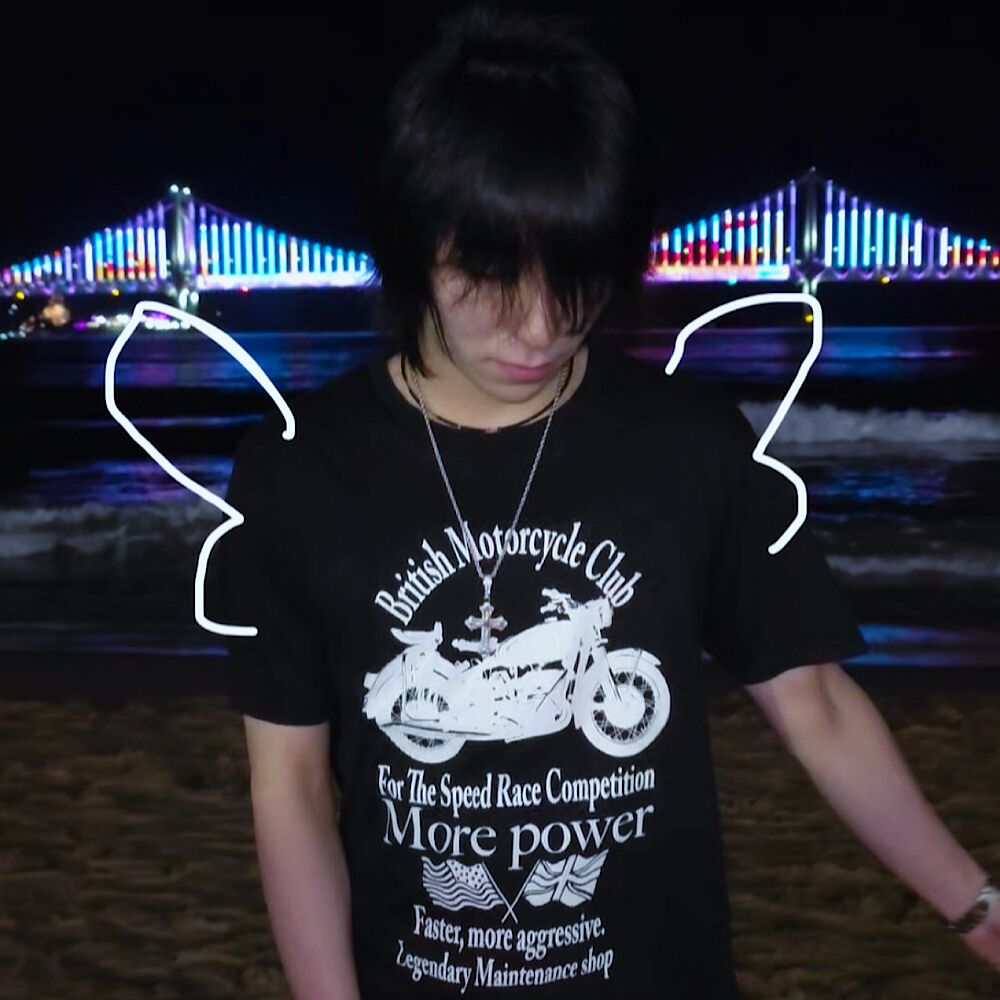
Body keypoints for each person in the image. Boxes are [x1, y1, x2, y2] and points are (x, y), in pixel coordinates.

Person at [210, 5, 1000, 997]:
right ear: (412, 245)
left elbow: (818, 704)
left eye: (578, 275)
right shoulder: (298, 470)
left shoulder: (690, 443)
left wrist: (980, 911)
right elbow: (289, 783)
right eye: (488, 275)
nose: (540, 327)